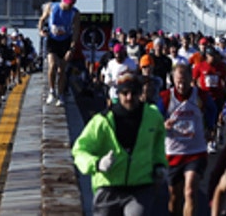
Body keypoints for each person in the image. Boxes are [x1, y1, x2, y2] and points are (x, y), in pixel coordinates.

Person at [72, 73, 168, 216]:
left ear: (141, 93)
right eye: (125, 93)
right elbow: (79, 150)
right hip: (108, 187)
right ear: (118, 93)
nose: (129, 97)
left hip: (140, 187)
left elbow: (158, 144)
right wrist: (97, 164)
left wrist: (160, 165)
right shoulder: (103, 121)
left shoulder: (153, 117)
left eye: (134, 93)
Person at [159, 62, 216, 216]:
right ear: (173, 79)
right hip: (173, 152)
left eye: (184, 82)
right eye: (178, 82)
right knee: (175, 196)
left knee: (190, 191)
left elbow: (212, 110)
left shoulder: (200, 96)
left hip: (195, 151)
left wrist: (211, 128)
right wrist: (164, 125)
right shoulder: (165, 97)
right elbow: (155, 120)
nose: (181, 86)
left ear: (191, 79)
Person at [38, 0, 80, 106]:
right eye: (69, 4)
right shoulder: (52, 8)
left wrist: (72, 48)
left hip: (65, 41)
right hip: (52, 40)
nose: (70, 6)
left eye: (72, 4)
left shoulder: (75, 13)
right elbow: (42, 19)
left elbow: (76, 31)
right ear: (64, 1)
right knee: (53, 65)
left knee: (62, 70)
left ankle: (61, 95)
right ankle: (52, 91)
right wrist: (41, 31)